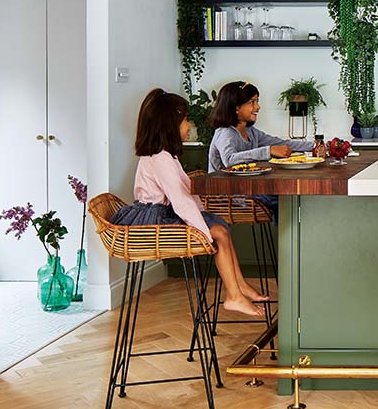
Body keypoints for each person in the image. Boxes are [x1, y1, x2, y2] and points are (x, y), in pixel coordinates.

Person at [110, 88, 265, 316]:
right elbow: (181, 201)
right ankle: (233, 295)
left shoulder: (166, 155)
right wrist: (203, 232)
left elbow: (186, 194)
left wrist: (203, 215)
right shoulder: (160, 158)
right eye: (184, 120)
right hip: (154, 218)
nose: (189, 125)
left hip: (165, 212)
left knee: (220, 228)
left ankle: (239, 287)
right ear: (170, 125)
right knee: (218, 233)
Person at [208, 81, 315, 215]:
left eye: (257, 101)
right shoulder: (225, 133)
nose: (258, 107)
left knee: (287, 197)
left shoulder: (251, 132)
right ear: (236, 107)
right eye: (252, 102)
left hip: (247, 190)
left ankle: (294, 233)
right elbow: (229, 160)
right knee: (283, 201)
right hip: (228, 195)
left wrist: (316, 146)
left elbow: (281, 143)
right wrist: (268, 150)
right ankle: (290, 234)